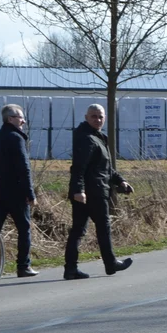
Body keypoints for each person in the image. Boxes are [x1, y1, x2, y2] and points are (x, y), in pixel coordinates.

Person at [64, 104, 134, 280]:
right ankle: (110, 264)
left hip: (94, 190)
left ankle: (71, 269)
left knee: (79, 230)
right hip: (92, 192)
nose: (98, 119)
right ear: (86, 117)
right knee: (101, 228)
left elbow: (106, 168)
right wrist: (78, 190)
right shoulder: (87, 138)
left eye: (101, 116)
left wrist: (121, 181)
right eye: (94, 116)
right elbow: (79, 168)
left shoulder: (98, 137)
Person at [0, 104, 38, 278]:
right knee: (24, 229)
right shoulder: (16, 138)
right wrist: (30, 193)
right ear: (10, 119)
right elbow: (24, 168)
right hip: (15, 193)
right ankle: (23, 266)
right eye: (20, 118)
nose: (23, 121)